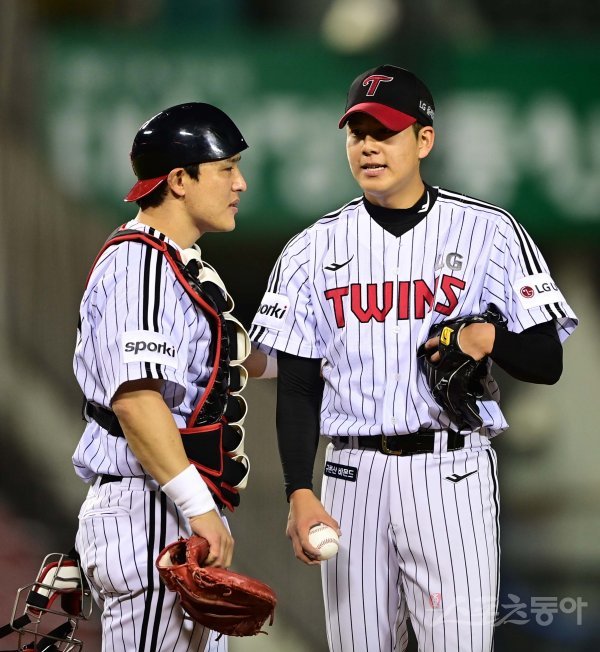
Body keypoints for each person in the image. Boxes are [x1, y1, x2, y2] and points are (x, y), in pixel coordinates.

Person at [249, 65, 578, 651]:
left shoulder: (489, 232)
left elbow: (546, 360)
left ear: (424, 140)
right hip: (350, 476)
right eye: (358, 133)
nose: (368, 146)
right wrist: (299, 489)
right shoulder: (310, 249)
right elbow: (298, 386)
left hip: (450, 472)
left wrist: (488, 337)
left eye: (385, 132)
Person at [73, 102, 262, 651]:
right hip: (151, 507)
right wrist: (198, 507)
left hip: (165, 502)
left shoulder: (173, 262)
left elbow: (237, 360)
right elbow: (136, 401)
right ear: (179, 180)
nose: (240, 183)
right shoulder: (141, 267)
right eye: (226, 168)